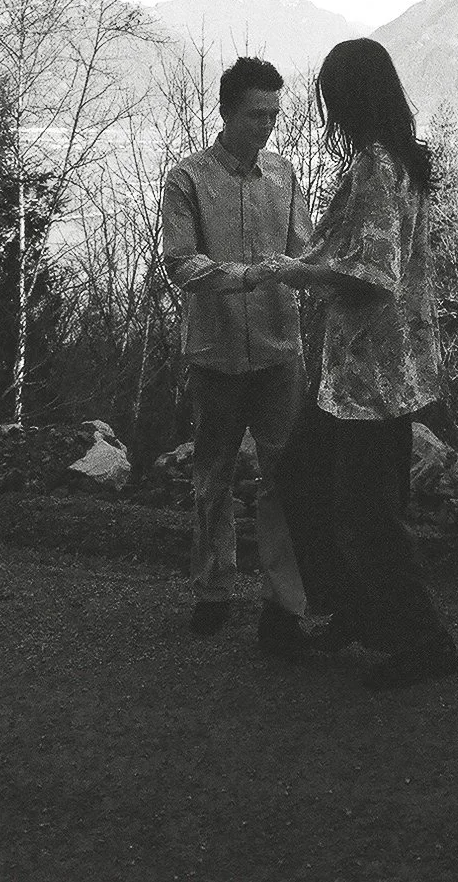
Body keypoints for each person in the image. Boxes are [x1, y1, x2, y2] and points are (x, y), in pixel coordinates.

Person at [250, 38, 458, 691]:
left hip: (370, 377)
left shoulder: (376, 166)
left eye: (333, 99)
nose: (328, 110)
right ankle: (358, 609)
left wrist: (297, 272)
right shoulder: (397, 160)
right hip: (366, 374)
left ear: (351, 98)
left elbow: (373, 273)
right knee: (307, 481)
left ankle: (423, 640)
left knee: (367, 515)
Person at [161, 55, 313, 658]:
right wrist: (249, 276)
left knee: (285, 478)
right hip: (216, 354)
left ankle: (286, 604)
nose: (267, 126)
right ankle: (212, 591)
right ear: (226, 111)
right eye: (256, 114)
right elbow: (181, 263)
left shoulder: (285, 175)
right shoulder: (188, 179)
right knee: (214, 475)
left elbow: (303, 250)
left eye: (274, 114)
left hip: (280, 352)